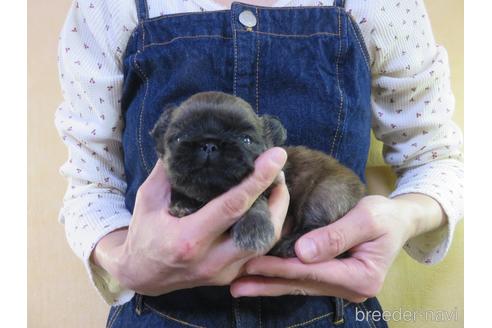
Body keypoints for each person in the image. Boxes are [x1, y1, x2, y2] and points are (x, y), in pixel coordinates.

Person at [55, 0, 463, 326]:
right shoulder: (105, 7)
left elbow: (438, 157)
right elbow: (91, 185)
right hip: (160, 311)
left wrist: (403, 218)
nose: (210, 151)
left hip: (331, 309)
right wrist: (122, 260)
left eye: (241, 139)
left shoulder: (384, 5)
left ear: (269, 138)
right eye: (185, 140)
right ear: (163, 136)